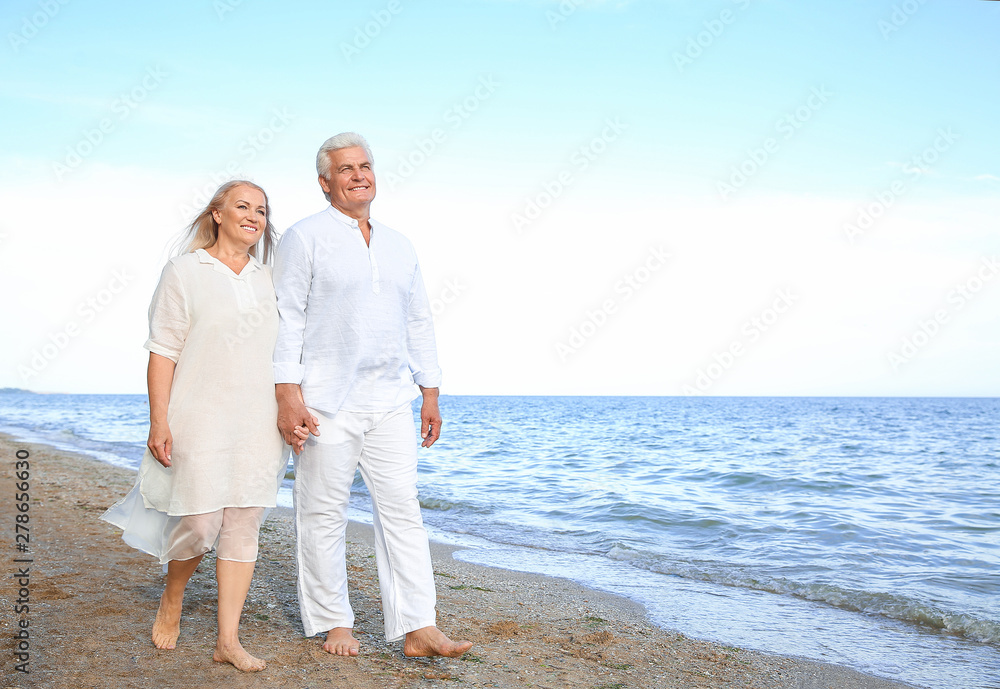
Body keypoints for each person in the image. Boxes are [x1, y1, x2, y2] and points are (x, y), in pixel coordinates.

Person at [273, 132, 472, 658]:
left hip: (390, 401)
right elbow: (286, 318)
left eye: (365, 165)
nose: (359, 174)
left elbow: (419, 320)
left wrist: (430, 389)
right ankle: (333, 621)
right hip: (324, 401)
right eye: (346, 169)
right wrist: (287, 394)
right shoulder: (304, 237)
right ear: (325, 183)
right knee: (321, 512)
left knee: (403, 509)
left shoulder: (400, 244)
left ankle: (418, 626)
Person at [102, 180, 301, 672]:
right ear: (217, 213)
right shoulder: (185, 272)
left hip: (258, 422)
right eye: (242, 206)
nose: (254, 216)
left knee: (242, 526)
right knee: (198, 521)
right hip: (199, 416)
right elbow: (163, 349)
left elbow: (292, 352)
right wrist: (158, 419)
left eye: (261, 209)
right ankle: (173, 595)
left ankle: (227, 640)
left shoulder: (272, 279)